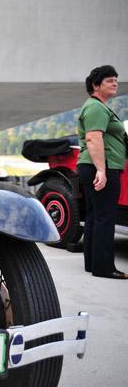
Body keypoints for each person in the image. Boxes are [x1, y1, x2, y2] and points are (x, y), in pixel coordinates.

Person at [77, 65, 127, 279]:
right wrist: (101, 170)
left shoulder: (97, 106)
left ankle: (93, 264)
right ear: (96, 85)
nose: (115, 83)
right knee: (105, 218)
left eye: (115, 79)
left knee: (95, 216)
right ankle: (105, 268)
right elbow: (93, 138)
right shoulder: (96, 107)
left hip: (94, 166)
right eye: (109, 80)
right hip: (100, 166)